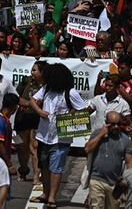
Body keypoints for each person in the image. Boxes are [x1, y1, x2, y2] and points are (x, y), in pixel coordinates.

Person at [31, 63, 89, 208]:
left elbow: (84, 110)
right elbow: (32, 100)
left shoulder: (71, 93)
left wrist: (71, 116)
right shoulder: (46, 89)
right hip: (44, 135)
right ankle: (45, 193)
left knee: (56, 167)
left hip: (62, 136)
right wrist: (39, 111)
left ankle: (52, 197)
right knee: (43, 165)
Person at [83, 110, 132, 209]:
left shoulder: (125, 140)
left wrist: (127, 180)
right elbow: (87, 149)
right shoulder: (97, 134)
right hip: (96, 179)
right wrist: (100, 135)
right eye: (112, 124)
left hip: (114, 183)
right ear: (106, 123)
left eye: (118, 124)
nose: (116, 127)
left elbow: (129, 162)